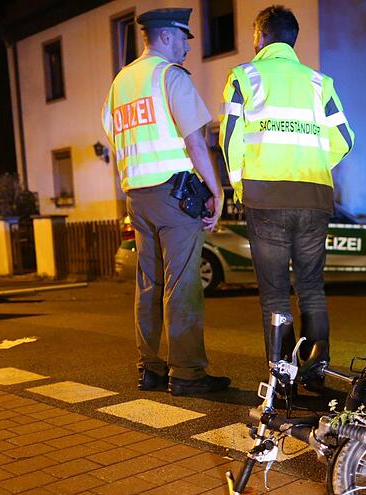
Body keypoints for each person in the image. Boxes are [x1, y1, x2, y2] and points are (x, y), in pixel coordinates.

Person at [218, 5, 354, 389]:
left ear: (259, 37)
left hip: (265, 197)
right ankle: (316, 370)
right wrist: (312, 162)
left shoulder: (244, 76)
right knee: (311, 286)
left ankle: (283, 377)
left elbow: (230, 140)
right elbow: (345, 140)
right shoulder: (318, 83)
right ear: (292, 40)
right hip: (313, 196)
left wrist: (242, 184)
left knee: (275, 293)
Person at [102, 8, 230, 396]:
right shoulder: (169, 76)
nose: (188, 47)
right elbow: (195, 141)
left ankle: (150, 370)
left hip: (136, 197)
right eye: (184, 39)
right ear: (167, 37)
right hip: (174, 196)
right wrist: (217, 190)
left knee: (148, 283)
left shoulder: (120, 83)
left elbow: (113, 135)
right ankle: (188, 374)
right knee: (183, 284)